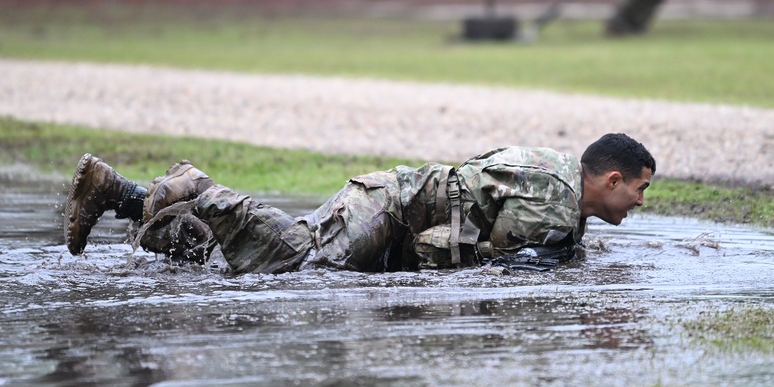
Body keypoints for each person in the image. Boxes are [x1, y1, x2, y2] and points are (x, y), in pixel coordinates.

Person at [63, 133, 655, 274]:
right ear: (609, 179)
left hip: (389, 201)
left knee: (247, 262)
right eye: (639, 188)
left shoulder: (552, 176)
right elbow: (489, 264)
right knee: (299, 266)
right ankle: (197, 186)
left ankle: (121, 195)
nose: (639, 202)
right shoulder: (555, 204)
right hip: (390, 211)